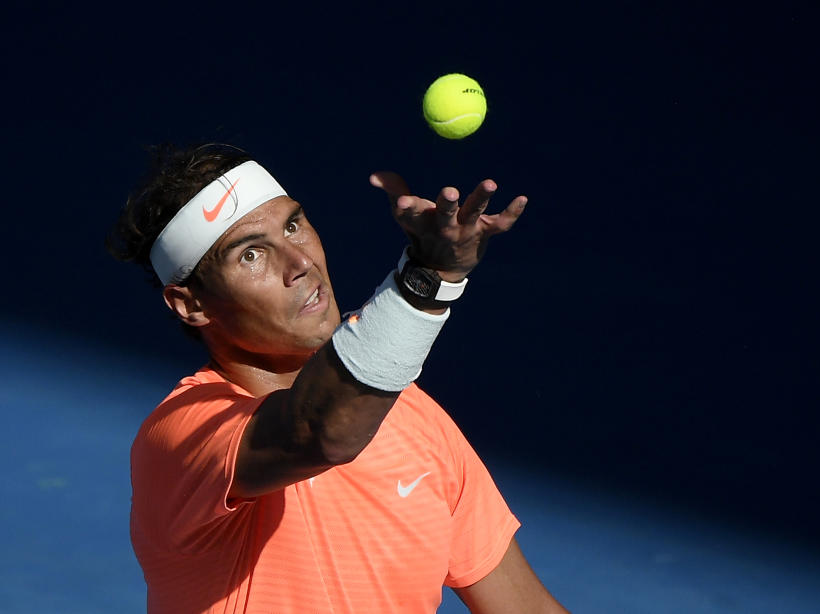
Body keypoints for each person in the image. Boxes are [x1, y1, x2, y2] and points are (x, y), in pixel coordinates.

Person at [107, 143, 568, 614]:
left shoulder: (414, 416)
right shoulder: (180, 434)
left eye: (293, 226)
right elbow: (319, 433)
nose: (299, 262)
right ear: (192, 305)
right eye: (250, 255)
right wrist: (427, 282)